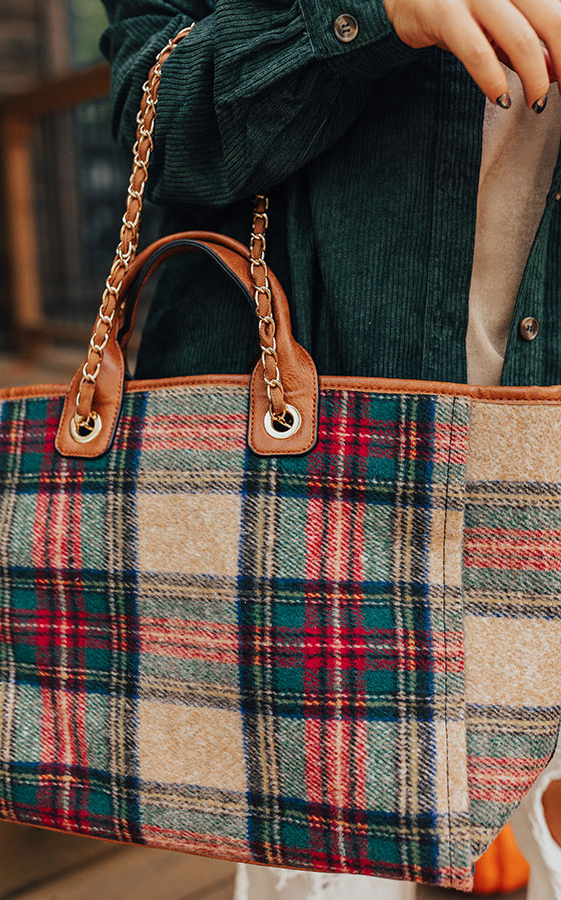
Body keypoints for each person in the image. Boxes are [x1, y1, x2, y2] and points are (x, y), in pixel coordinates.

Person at [99, 1, 561, 897]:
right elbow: (160, 118)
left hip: (538, 439)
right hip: (317, 489)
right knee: (324, 870)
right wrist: (366, 15)